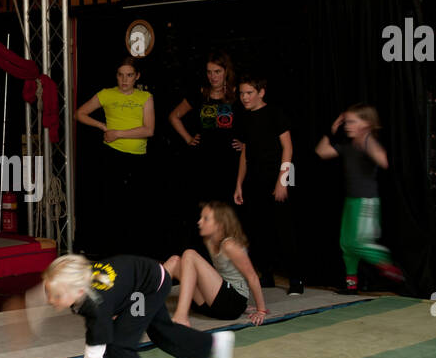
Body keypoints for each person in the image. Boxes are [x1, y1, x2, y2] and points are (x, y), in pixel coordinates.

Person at [40, 253, 234, 358]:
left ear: (79, 292)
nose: (50, 300)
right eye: (48, 292)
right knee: (162, 332)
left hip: (146, 289)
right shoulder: (78, 280)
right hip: (143, 280)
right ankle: (213, 345)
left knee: (119, 344)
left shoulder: (96, 306)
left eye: (56, 296)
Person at [315, 104, 404, 293]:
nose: (347, 125)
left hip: (366, 202)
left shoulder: (367, 143)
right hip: (351, 201)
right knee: (346, 244)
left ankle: (391, 266)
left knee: (358, 243)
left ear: (366, 124)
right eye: (346, 122)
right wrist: (331, 130)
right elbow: (321, 152)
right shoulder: (348, 146)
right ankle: (351, 284)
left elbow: (384, 160)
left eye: (352, 122)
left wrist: (367, 135)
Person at [74, 57, 155, 256]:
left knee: (134, 208)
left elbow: (149, 130)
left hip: (137, 159)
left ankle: (134, 254)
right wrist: (102, 126)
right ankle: (111, 254)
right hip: (112, 156)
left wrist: (118, 133)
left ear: (137, 76)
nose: (124, 79)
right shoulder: (106, 94)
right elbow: (79, 113)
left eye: (129, 75)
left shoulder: (145, 97)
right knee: (111, 207)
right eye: (121, 75)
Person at [233, 75, 303, 294]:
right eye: (242, 93)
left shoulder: (275, 113)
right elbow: (245, 153)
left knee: (284, 229)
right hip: (254, 179)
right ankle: (267, 275)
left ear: (261, 92)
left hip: (276, 177)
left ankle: (296, 280)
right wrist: (239, 184)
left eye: (249, 93)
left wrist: (282, 181)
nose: (244, 98)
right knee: (258, 230)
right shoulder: (245, 118)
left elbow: (288, 148)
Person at [165, 202, 268, 327]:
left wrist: (260, 310)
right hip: (213, 304)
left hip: (232, 305)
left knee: (190, 254)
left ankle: (181, 316)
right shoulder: (209, 241)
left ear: (220, 224)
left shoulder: (230, 245)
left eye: (206, 219)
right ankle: (141, 303)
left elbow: (252, 277)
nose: (199, 222)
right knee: (175, 260)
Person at [168, 52, 242, 210]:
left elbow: (250, 122)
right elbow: (174, 116)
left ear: (226, 71)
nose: (213, 76)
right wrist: (188, 138)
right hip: (203, 162)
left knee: (228, 210)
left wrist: (245, 144)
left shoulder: (236, 94)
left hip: (229, 163)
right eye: (209, 72)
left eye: (217, 72)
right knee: (207, 209)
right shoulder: (200, 94)